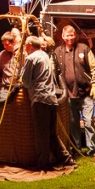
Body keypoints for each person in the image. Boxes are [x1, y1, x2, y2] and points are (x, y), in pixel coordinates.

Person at [21, 34, 73, 173]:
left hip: (40, 99)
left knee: (41, 135)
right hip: (51, 99)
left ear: (29, 46)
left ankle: (43, 164)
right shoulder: (45, 55)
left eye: (25, 46)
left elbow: (25, 81)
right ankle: (67, 160)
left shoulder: (31, 58)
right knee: (51, 134)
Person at [53, 24, 95, 159]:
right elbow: (53, 71)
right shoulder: (58, 52)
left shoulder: (84, 49)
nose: (70, 38)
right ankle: (76, 149)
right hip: (68, 94)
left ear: (76, 36)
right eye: (67, 35)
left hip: (86, 93)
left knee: (88, 122)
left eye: (72, 35)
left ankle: (93, 150)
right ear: (63, 36)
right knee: (73, 124)